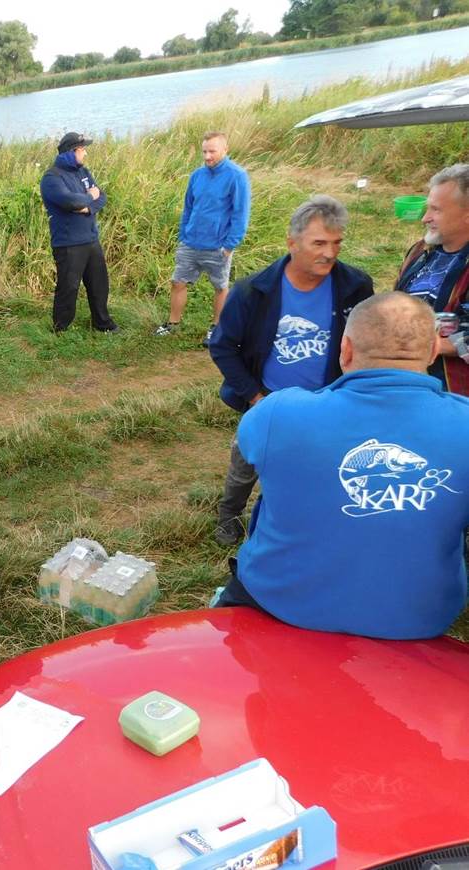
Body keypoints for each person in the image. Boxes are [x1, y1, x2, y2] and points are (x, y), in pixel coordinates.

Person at [215, 293, 469, 640]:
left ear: (345, 350)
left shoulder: (278, 411)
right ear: (432, 353)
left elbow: (246, 450)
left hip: (279, 603)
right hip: (416, 621)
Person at [208, 195, 373, 546]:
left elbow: (366, 342)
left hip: (329, 399)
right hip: (268, 399)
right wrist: (254, 396)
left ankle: (305, 520)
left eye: (336, 243)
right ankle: (229, 514)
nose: (329, 252)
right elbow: (223, 346)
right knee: (246, 460)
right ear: (292, 241)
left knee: (319, 463)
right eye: (319, 243)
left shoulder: (355, 287)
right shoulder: (254, 290)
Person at [155, 131, 251, 345]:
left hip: (218, 246)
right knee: (178, 282)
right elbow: (189, 207)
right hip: (190, 242)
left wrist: (229, 245)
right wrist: (183, 234)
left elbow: (240, 214)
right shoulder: (197, 175)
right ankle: (173, 324)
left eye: (212, 151)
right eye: (204, 152)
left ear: (225, 150)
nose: (207, 156)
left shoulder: (237, 176)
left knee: (220, 287)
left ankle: (216, 329)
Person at [395, 163, 469, 394]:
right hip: (406, 381)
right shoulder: (420, 250)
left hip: (452, 395)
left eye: (436, 210)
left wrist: (416, 347)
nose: (425, 218)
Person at [39, 131, 119, 334]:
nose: (85, 154)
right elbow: (71, 201)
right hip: (68, 243)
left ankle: (102, 324)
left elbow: (102, 196)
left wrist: (87, 206)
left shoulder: (82, 172)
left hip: (91, 238)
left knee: (99, 284)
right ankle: (61, 329)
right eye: (82, 150)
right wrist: (87, 197)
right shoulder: (51, 178)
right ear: (71, 151)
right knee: (69, 287)